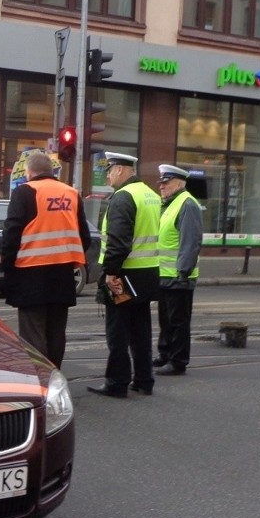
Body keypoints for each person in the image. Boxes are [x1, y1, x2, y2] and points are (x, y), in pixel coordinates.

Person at [0, 152, 91, 369]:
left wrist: (8, 269)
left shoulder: (25, 192)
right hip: (63, 275)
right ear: (52, 171)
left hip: (31, 274)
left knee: (33, 333)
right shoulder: (71, 194)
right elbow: (84, 237)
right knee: (56, 333)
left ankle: (40, 382)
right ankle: (54, 377)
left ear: (29, 173)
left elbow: (12, 233)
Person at [88, 152, 161, 398]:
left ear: (120, 170)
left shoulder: (123, 197)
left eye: (109, 170)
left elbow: (119, 242)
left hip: (124, 277)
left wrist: (110, 273)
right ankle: (144, 380)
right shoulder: (150, 194)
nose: (107, 175)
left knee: (118, 332)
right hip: (147, 275)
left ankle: (117, 383)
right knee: (141, 331)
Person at [153, 164, 203, 376]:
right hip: (165, 274)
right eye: (161, 183)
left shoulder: (187, 204)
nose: (162, 187)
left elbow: (190, 241)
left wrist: (183, 271)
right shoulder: (168, 204)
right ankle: (165, 354)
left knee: (178, 321)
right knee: (165, 320)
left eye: (166, 183)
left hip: (179, 275)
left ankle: (178, 361)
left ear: (179, 183)